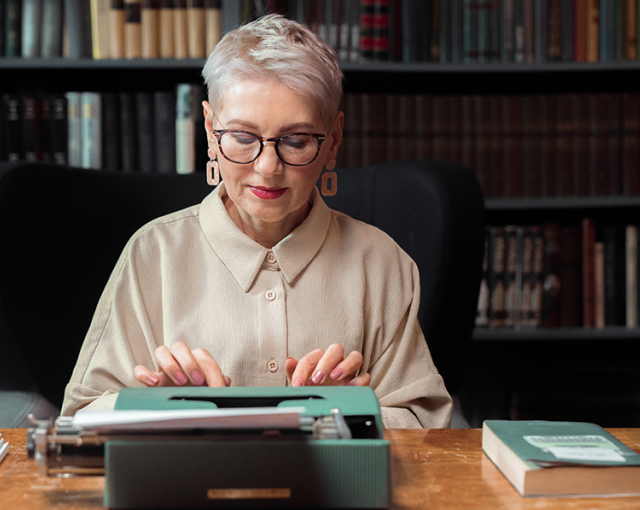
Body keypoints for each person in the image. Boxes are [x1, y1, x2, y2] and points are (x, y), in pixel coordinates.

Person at [62, 14, 452, 428]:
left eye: (297, 141)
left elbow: (428, 429)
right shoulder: (151, 254)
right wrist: (163, 409)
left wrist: (348, 415)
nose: (267, 168)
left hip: (339, 491)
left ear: (332, 140)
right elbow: (80, 416)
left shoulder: (381, 262)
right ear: (212, 131)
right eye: (244, 138)